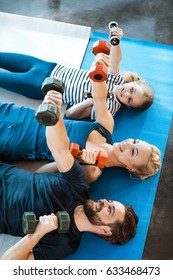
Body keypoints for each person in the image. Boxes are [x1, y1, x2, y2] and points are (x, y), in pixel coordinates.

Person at [0, 90, 138, 260]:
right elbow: (59, 149)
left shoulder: (65, 244)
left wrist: (35, 235)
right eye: (109, 202)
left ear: (105, 230)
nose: (103, 202)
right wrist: (54, 115)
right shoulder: (79, 187)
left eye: (109, 209)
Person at [0, 23, 154, 121]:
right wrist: (116, 40)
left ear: (128, 106)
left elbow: (70, 114)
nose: (126, 94)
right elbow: (115, 60)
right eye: (132, 90)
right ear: (134, 82)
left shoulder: (109, 109)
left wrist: (95, 99)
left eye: (130, 100)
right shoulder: (118, 79)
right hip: (49, 67)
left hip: (41, 86)